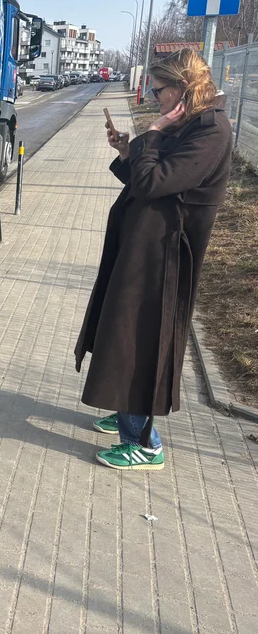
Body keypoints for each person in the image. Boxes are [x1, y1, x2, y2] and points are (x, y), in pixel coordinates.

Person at [75, 48, 233, 471]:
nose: (153, 96)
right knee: (121, 334)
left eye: (159, 90)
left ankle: (145, 443)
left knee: (139, 340)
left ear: (184, 89)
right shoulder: (191, 125)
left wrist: (155, 132)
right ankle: (126, 409)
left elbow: (152, 182)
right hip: (144, 248)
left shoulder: (211, 131)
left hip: (164, 257)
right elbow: (148, 182)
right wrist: (129, 152)